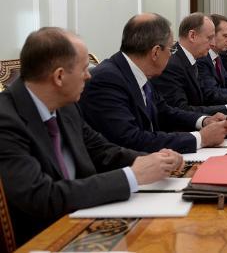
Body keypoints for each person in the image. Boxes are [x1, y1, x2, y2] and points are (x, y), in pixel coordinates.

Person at [0, 27, 183, 245]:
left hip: (87, 220)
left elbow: (101, 150)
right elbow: (41, 196)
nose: (89, 76)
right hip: (47, 238)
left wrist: (152, 160)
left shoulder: (66, 106)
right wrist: (132, 176)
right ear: (59, 76)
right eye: (84, 69)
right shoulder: (6, 120)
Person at [79, 13, 227, 154]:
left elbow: (164, 111)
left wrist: (204, 120)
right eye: (170, 49)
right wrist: (200, 139)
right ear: (155, 52)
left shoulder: (138, 72)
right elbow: (130, 139)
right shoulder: (107, 80)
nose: (172, 54)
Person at [152, 13, 227, 117]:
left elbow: (207, 95)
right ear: (192, 36)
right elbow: (180, 109)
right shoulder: (172, 64)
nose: (212, 44)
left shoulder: (192, 58)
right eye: (209, 38)